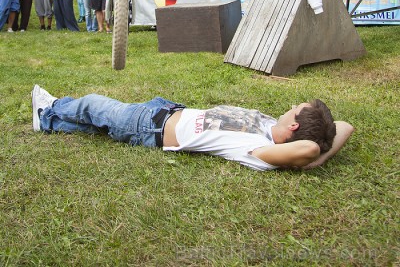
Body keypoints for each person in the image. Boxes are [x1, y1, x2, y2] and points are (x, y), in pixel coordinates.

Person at [31, 85, 354, 171]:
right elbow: (345, 126)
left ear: (294, 125)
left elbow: (309, 148)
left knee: (93, 104)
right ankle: (50, 123)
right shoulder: (271, 127)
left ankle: (51, 106)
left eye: (294, 109)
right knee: (98, 126)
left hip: (149, 127)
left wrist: (317, 159)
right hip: (165, 109)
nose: (289, 106)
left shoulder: (257, 151)